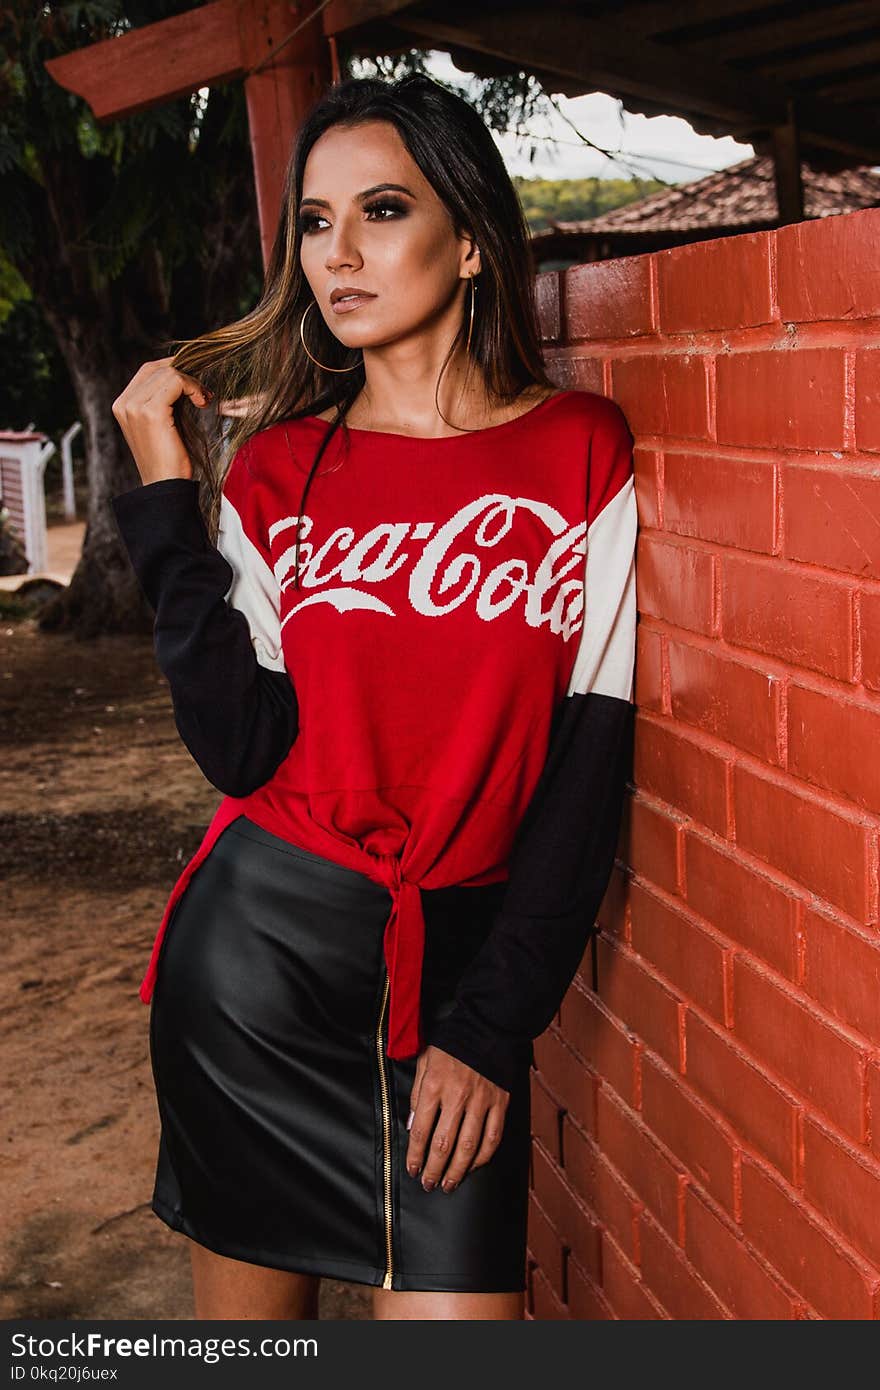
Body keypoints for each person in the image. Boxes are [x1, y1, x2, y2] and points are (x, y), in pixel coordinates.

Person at [110, 73, 637, 1322]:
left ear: (466, 243)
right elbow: (240, 749)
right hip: (254, 969)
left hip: (451, 979)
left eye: (382, 211)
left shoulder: (577, 451)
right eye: (312, 220)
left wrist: (494, 1023)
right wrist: (162, 505)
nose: (335, 255)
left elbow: (587, 758)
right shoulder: (285, 466)